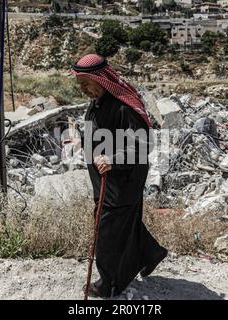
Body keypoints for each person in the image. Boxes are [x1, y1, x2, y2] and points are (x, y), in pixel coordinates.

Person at [71, 53, 168, 298]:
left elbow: (143, 144)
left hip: (122, 181)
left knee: (107, 232)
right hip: (105, 181)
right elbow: (98, 128)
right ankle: (150, 252)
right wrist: (82, 141)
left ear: (101, 79)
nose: (82, 89)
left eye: (85, 83)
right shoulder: (99, 100)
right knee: (124, 223)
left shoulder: (124, 106)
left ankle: (108, 284)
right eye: (79, 84)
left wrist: (112, 159)